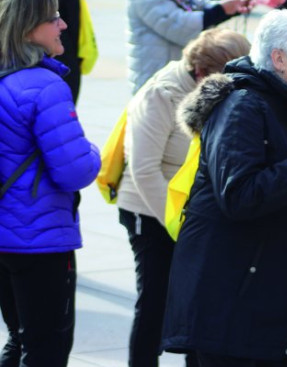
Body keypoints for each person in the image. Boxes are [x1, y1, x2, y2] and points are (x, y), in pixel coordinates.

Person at [160, 9, 287, 366]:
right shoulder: (241, 106)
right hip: (232, 307)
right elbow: (239, 196)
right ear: (279, 58)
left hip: (266, 299)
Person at [116, 28, 250, 367]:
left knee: (196, 305)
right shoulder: (162, 93)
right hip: (151, 210)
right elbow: (144, 170)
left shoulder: (211, 88)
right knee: (155, 304)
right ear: (205, 72)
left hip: (191, 213)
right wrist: (180, 225)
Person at [0, 0, 101, 365]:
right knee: (46, 349)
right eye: (53, 18)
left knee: (19, 338)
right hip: (39, 240)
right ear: (30, 27)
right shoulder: (45, 86)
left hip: (5, 237)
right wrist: (92, 150)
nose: (63, 25)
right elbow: (75, 170)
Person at [126, 0, 253, 93]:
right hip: (155, 77)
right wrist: (222, 10)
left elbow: (200, 7)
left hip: (180, 76)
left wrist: (233, 6)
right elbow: (179, 27)